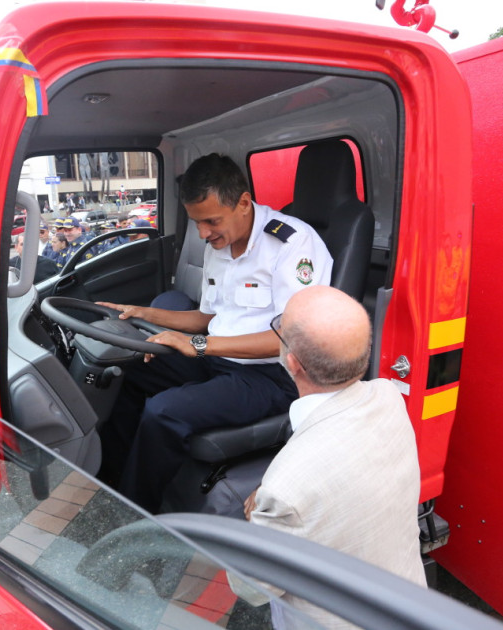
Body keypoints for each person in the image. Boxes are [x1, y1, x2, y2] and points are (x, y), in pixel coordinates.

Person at [97, 153, 333, 512]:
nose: (203, 234)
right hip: (217, 359)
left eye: (211, 221)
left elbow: (289, 340)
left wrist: (198, 345)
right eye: (197, 222)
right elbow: (207, 318)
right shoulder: (219, 244)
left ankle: (134, 512)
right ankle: (111, 482)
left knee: (163, 411)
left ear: (243, 203)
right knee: (126, 369)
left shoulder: (293, 243)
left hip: (271, 376)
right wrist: (144, 313)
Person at [235, 286, 426, 628]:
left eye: (280, 326)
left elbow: (248, 587)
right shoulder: (389, 396)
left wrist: (254, 518)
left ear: (292, 362)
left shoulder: (283, 491)